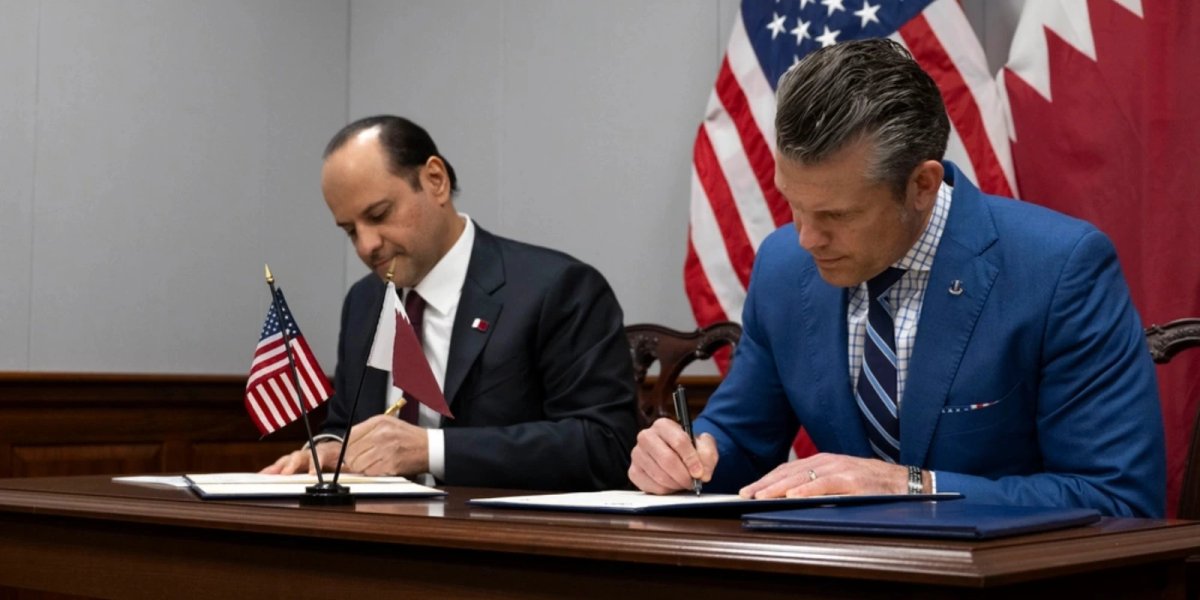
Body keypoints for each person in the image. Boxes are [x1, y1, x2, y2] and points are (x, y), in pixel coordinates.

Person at [628, 39, 1165, 517]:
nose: (807, 238)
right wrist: (685, 458)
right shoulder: (783, 268)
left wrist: (912, 486)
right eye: (792, 204)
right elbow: (739, 443)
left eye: (837, 216)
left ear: (922, 186)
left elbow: (1115, 497)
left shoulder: (1058, 268)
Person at [263, 115, 639, 490]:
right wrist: (331, 450)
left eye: (378, 215)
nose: (366, 245)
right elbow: (344, 424)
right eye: (350, 231)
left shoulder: (557, 290)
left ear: (435, 181)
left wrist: (431, 450)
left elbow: (605, 445)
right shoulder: (365, 301)